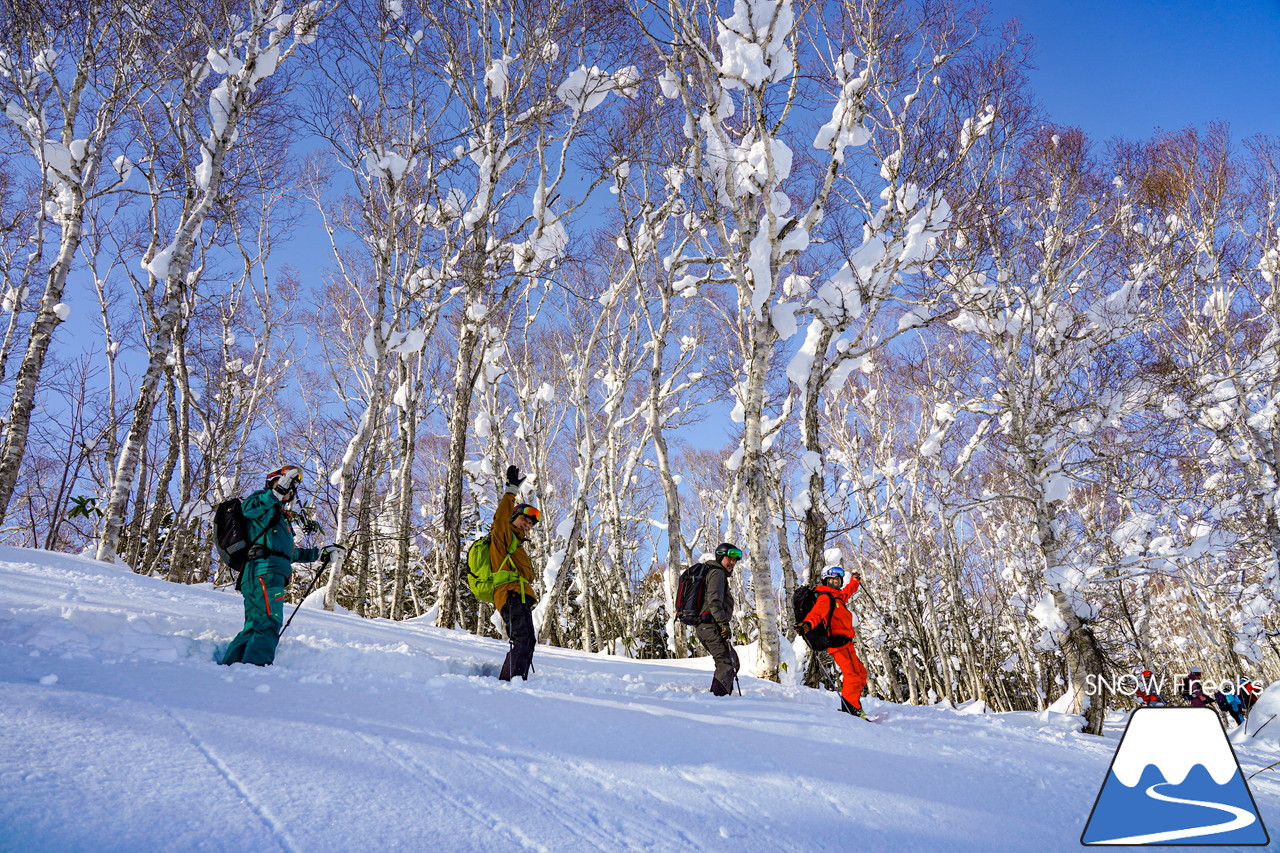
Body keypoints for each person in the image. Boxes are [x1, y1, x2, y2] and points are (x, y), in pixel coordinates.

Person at [221, 465, 339, 666]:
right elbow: (248, 509)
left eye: (291, 488)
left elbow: (288, 553)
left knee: (256, 626)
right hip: (263, 572)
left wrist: (319, 554)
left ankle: (232, 667)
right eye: (283, 484)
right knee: (269, 622)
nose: (288, 490)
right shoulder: (262, 503)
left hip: (268, 573)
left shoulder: (280, 518)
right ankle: (255, 668)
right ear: (272, 484)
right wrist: (276, 492)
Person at [799, 565, 870, 719]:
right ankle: (851, 710)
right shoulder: (825, 597)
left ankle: (854, 705)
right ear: (826, 580)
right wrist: (807, 624)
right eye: (832, 579)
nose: (836, 582)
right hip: (837, 643)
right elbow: (816, 613)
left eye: (838, 579)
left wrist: (855, 581)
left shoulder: (837, 597)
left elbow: (848, 591)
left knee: (861, 673)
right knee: (852, 675)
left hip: (847, 643)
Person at [493, 465, 540, 682]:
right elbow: (501, 518)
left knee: (528, 641)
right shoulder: (503, 536)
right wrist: (511, 489)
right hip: (510, 595)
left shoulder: (518, 546)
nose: (527, 526)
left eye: (530, 524)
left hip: (520, 597)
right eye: (524, 520)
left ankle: (518, 682)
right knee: (521, 640)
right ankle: (509, 684)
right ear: (513, 518)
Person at [694, 543, 742, 696]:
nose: (732, 563)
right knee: (726, 663)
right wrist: (723, 624)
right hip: (710, 625)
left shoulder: (716, 573)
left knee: (732, 661)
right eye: (729, 559)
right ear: (720, 556)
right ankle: (718, 699)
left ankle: (725, 695)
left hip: (709, 626)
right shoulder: (717, 573)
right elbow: (714, 601)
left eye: (735, 561)